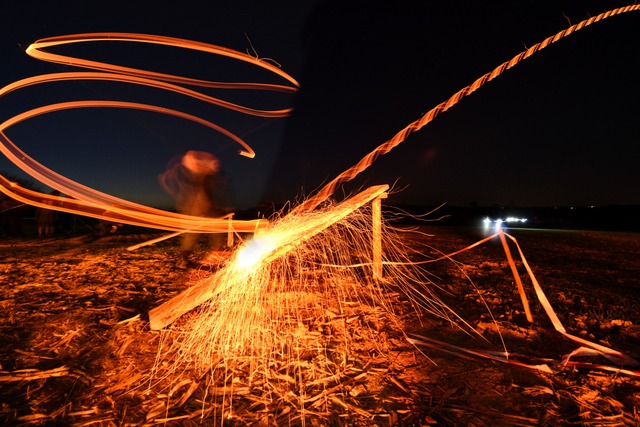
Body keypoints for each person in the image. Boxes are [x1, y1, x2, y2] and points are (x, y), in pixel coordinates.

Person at [159, 150, 228, 269]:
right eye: (214, 165)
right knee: (197, 233)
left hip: (200, 208)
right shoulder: (200, 177)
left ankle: (185, 259)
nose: (216, 168)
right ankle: (184, 260)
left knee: (206, 233)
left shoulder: (202, 177)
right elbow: (201, 194)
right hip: (197, 208)